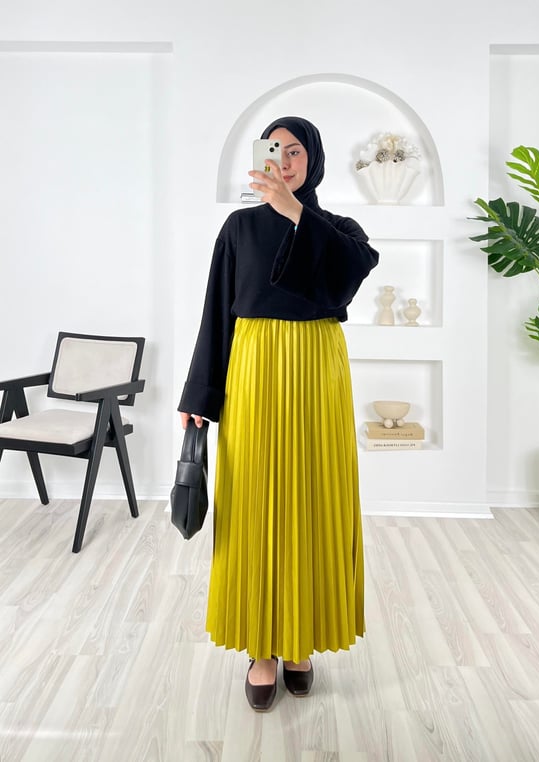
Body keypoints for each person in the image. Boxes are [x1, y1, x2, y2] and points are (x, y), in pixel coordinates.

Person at [178, 116, 379, 712]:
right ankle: (261, 649)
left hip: (318, 371)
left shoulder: (340, 230)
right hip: (255, 369)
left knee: (316, 499)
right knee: (253, 499)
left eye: (295, 152)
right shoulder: (238, 227)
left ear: (313, 160)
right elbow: (217, 310)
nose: (285, 161)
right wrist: (199, 395)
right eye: (275, 150)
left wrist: (294, 212)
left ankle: (301, 641)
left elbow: (350, 275)